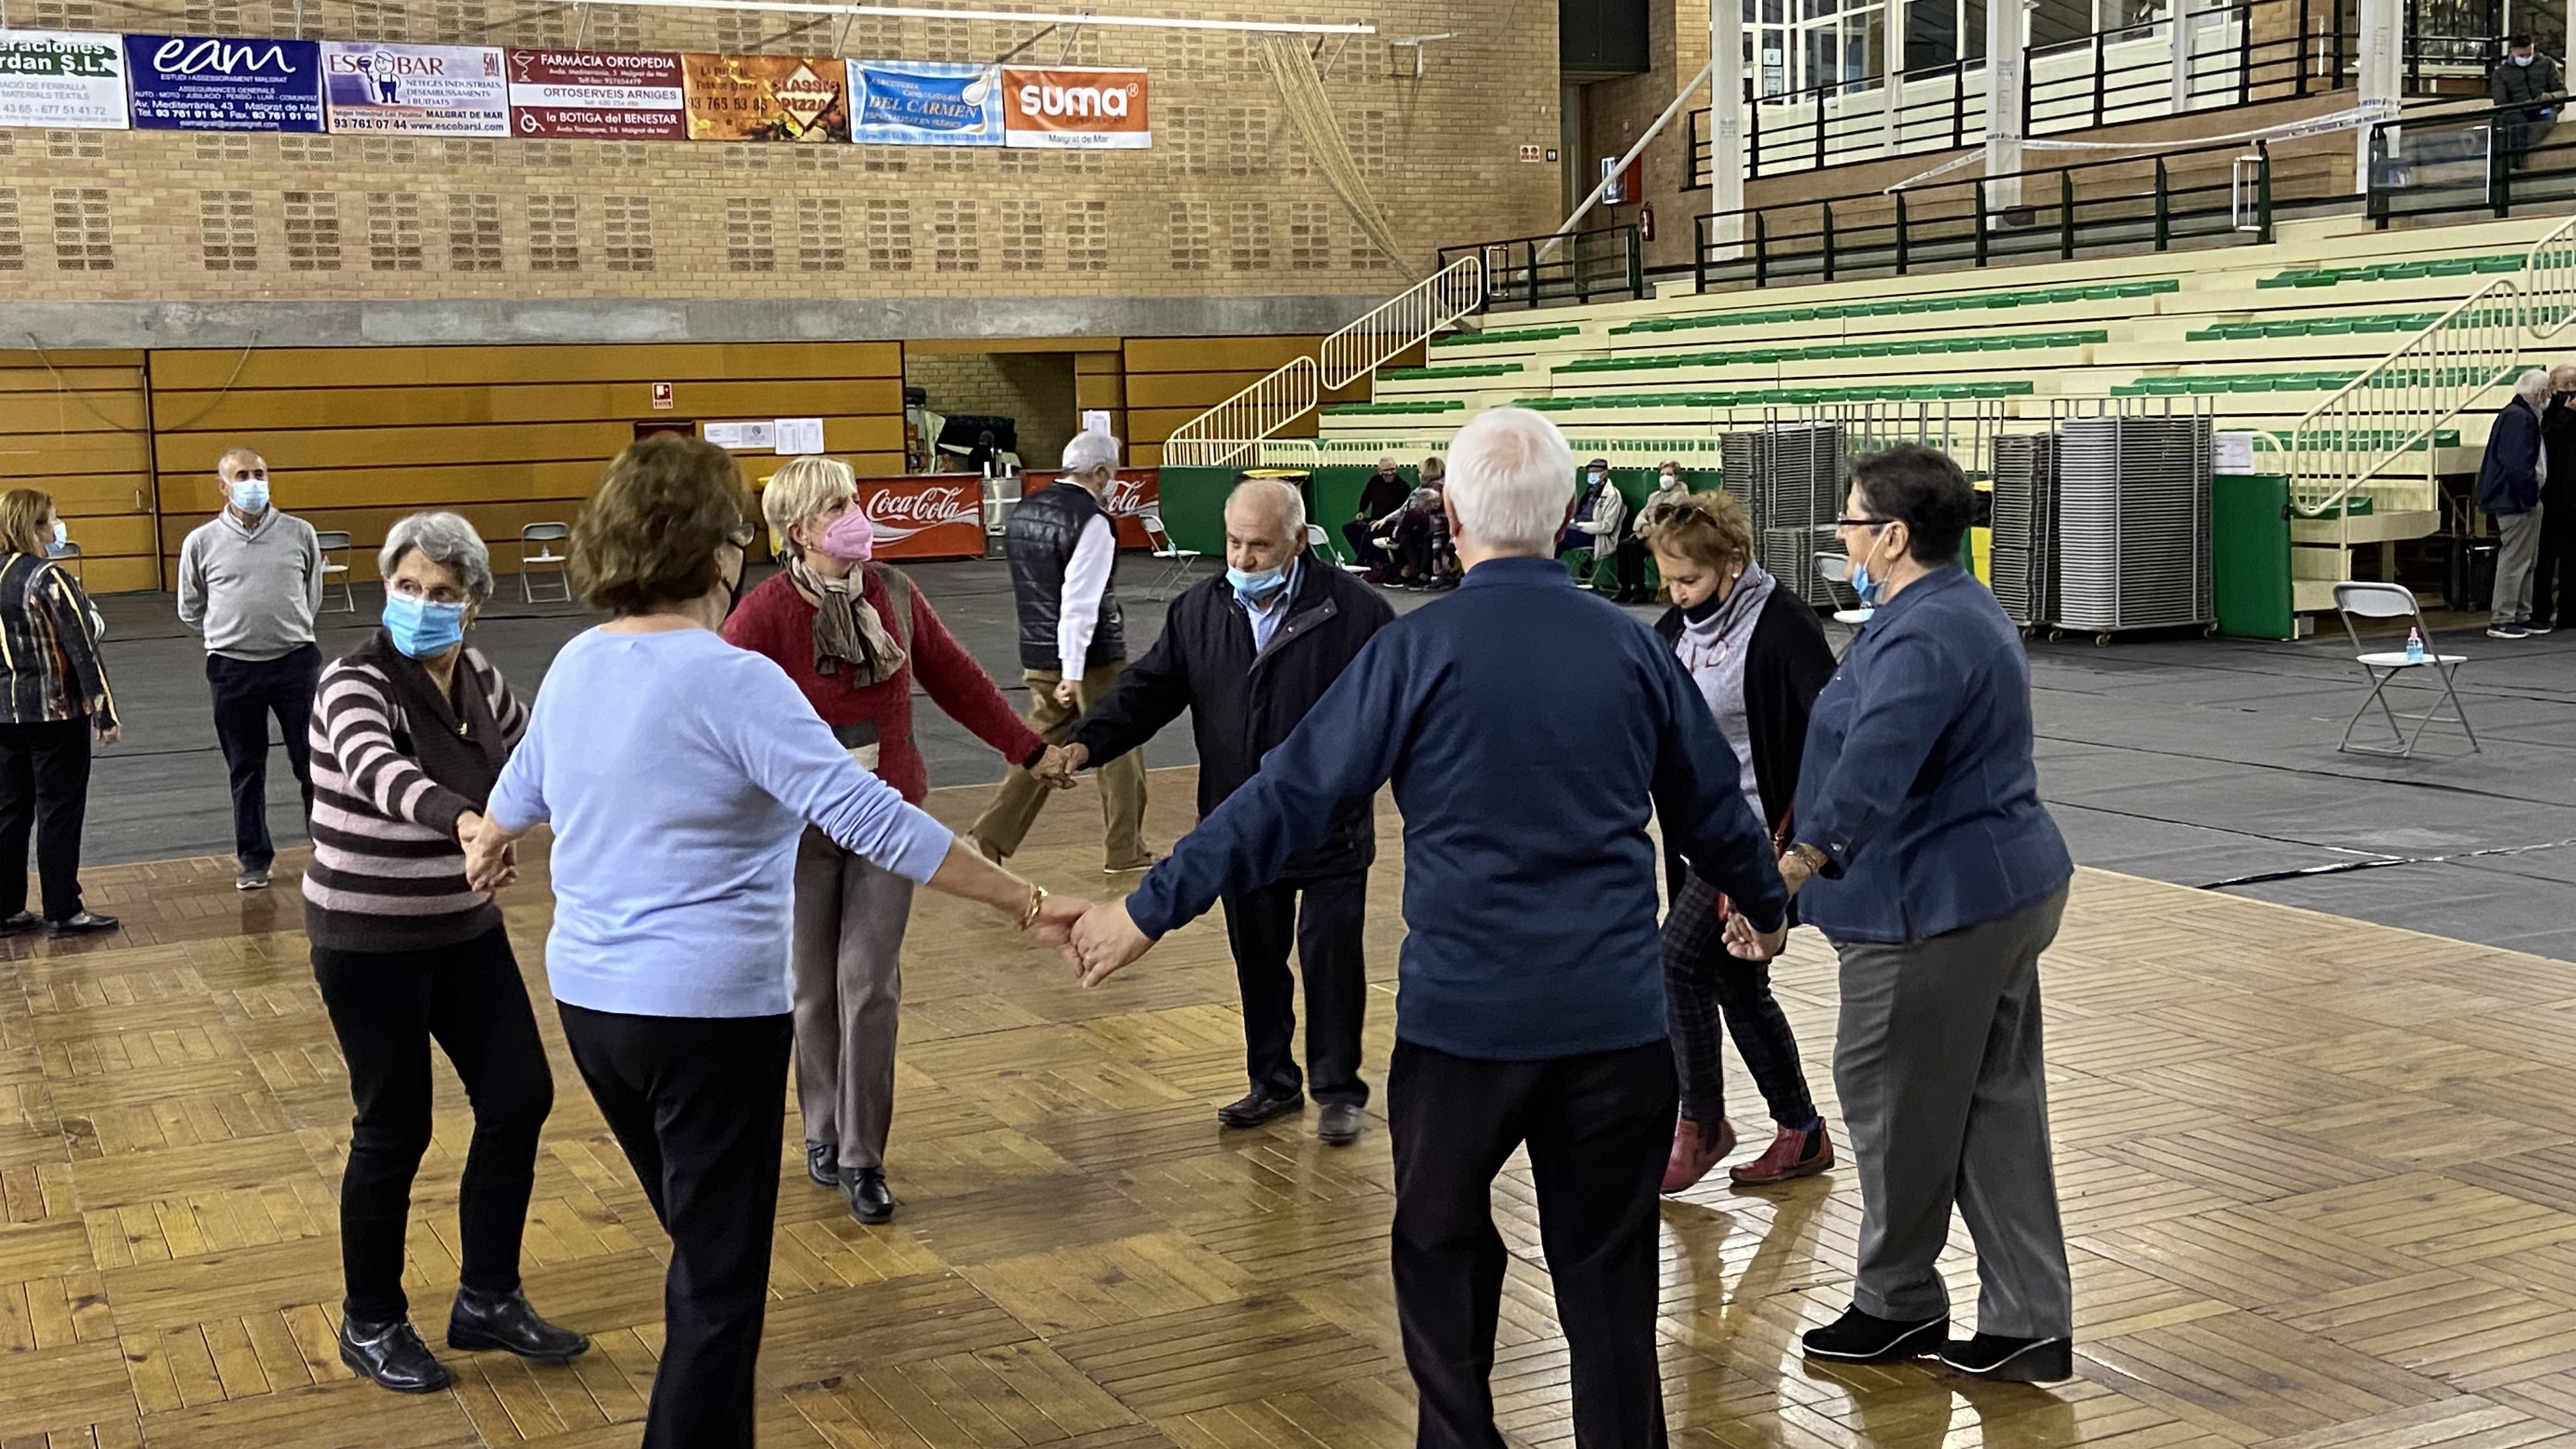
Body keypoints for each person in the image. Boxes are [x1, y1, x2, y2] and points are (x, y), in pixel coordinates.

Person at [1065, 406, 1788, 1449]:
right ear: (1564, 513)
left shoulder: (1416, 650)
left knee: (1441, 1255)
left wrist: (1147, 906)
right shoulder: (1635, 651)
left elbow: (1283, 798)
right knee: (1608, 1287)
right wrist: (1762, 908)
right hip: (1613, 1028)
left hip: (1463, 1029)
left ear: (1447, 515)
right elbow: (1716, 812)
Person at [464, 434, 1088, 1449]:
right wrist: (1028, 902)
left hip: (591, 1008)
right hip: (704, 1018)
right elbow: (873, 816)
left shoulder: (581, 662)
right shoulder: (732, 679)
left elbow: (519, 789)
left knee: (701, 1241)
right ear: (721, 553)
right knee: (718, 1291)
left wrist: (488, 842)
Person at [1726, 443, 2077, 1386]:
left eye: (1849, 521)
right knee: (1990, 1109)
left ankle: (1898, 1301)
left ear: (1891, 535)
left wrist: (1791, 872)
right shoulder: (1943, 609)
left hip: (1936, 906)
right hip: (1995, 890)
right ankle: (2027, 1319)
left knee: (1893, 1105)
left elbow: (1873, 765)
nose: (1840, 536)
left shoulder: (1927, 632)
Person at [724, 456, 1058, 1225]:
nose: (856, 514)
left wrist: (1029, 750)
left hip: (887, 814)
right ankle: (821, 1127)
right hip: (798, 826)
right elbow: (724, 718)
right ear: (799, 530)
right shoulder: (763, 615)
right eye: (837, 505)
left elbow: (959, 679)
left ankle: (862, 1155)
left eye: (854, 499)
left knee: (869, 982)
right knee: (811, 985)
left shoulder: (895, 596)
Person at [303, 511, 585, 1395]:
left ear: (473, 609)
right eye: (407, 588)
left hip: (462, 929)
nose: (420, 605)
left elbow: (542, 756)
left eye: (442, 595)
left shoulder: (482, 681)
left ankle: (487, 1298)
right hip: (368, 937)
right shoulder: (352, 682)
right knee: (394, 1128)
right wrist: (471, 822)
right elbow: (381, 773)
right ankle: (371, 1320)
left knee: (519, 1096)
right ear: (386, 589)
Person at [1042, 477, 1394, 1144]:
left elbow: (1387, 722)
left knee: (1330, 960)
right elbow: (1149, 690)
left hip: (1331, 832)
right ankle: (1272, 1082)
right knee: (1256, 958)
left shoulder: (1359, 616)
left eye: (1259, 546)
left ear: (1298, 541)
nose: (1242, 559)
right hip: (1238, 829)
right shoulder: (1200, 611)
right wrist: (1084, 744)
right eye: (1233, 542)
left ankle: (1338, 1090)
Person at [1641, 491, 1836, 1192]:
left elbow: (1831, 730)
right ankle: (1802, 1132)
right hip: (1699, 839)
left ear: (1732, 563)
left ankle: (1701, 1123)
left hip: (1755, 838)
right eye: (1668, 580)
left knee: (1675, 965)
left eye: (1690, 580)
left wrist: (1799, 852)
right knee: (1734, 982)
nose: (1679, 594)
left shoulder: (1781, 624)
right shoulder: (1674, 629)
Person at [967, 431, 1154, 873]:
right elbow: (1080, 602)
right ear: (1103, 472)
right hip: (1090, 658)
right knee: (1121, 746)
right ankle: (1124, 849)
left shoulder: (1024, 511)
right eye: (1112, 473)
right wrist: (1073, 671)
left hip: (1038, 650)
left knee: (1038, 747)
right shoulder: (1092, 521)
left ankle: (987, 838)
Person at [176, 446, 325, 891]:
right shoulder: (200, 542)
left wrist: (285, 628)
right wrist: (230, 632)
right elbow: (189, 606)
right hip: (232, 669)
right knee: (246, 766)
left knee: (313, 763)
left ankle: (329, 851)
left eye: (259, 473)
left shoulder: (300, 533)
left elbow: (311, 594)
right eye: (241, 475)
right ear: (223, 486)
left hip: (295, 663)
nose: (252, 482)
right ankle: (254, 860)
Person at [0, 489, 119, 938]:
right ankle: (62, 908)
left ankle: (7, 907)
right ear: (34, 528)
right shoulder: (49, 578)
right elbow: (82, 647)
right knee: (59, 810)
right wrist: (104, 711)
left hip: (5, 714)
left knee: (10, 811)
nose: (57, 528)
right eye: (52, 521)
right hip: (55, 714)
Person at [2480, 370, 2550, 639]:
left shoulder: (2520, 415)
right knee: (2515, 559)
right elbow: (2516, 464)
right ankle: (2503, 617)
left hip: (2520, 497)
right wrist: (2529, 495)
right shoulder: (2519, 418)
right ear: (2541, 393)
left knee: (2527, 560)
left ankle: (2521, 613)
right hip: (2516, 499)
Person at [2534, 364, 2576, 632]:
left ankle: (2570, 613)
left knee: (2573, 559)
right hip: (2551, 497)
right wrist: (2567, 414)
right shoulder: (2547, 411)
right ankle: (2539, 611)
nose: (2572, 391)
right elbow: (2546, 440)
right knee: (2545, 559)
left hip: (2574, 497)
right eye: (2567, 386)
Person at [2493, 34, 2564, 171]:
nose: (2526, 58)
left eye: (2529, 54)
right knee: (2517, 125)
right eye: (2522, 55)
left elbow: (2562, 91)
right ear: (2512, 51)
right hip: (2516, 111)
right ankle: (2515, 165)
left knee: (2547, 118)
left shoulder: (2547, 64)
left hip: (2543, 108)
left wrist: (2552, 96)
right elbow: (2501, 102)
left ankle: (2523, 158)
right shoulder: (2501, 73)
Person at [1342, 456, 1414, 578]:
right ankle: (1370, 560)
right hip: (1375, 519)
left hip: (1391, 522)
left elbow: (1401, 511)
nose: (1390, 473)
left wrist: (1382, 520)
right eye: (1387, 470)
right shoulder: (1375, 481)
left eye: (1393, 469)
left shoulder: (1403, 486)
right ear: (1380, 471)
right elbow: (1367, 496)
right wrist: (1361, 511)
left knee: (1369, 532)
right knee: (1349, 528)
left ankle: (1361, 562)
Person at [1566, 457, 1627, 595]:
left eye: (1595, 472)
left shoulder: (1612, 495)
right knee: (1556, 535)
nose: (1591, 475)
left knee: (1560, 538)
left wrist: (1580, 526)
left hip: (1595, 536)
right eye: (1590, 472)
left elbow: (1607, 527)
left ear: (1605, 473)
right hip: (1579, 529)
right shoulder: (1590, 492)